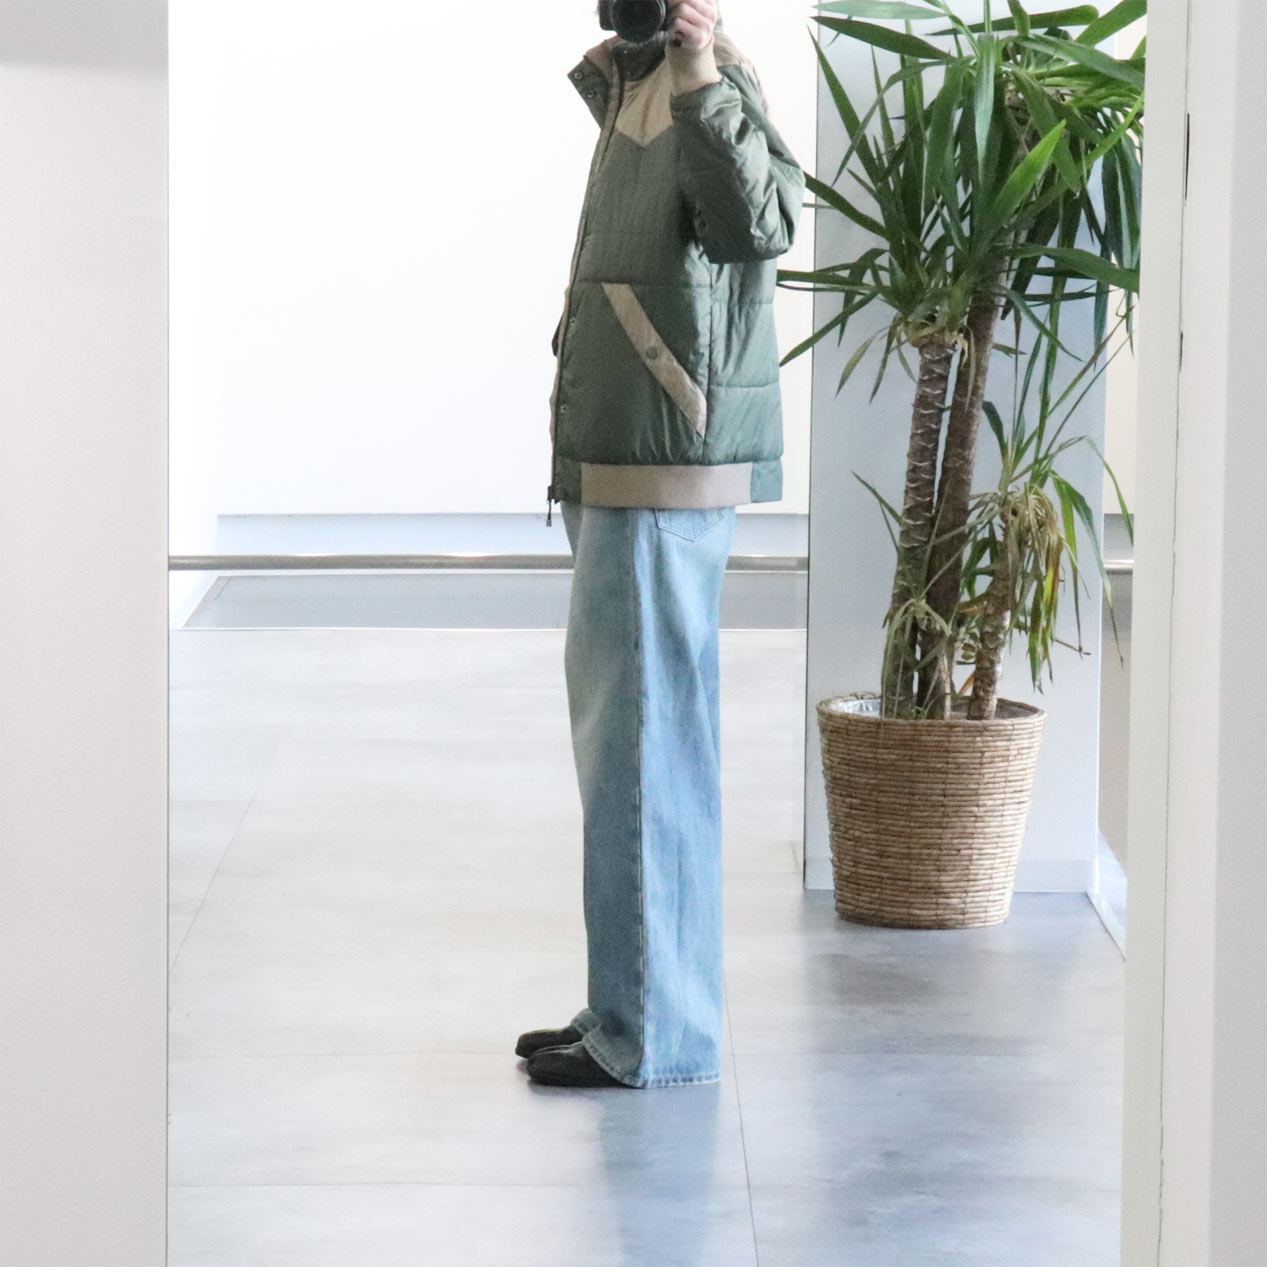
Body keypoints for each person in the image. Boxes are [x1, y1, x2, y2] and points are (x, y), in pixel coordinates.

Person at [517, 0, 804, 1089]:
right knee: (626, 746)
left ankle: (655, 1037)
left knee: (648, 747)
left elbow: (757, 227)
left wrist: (698, 71)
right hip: (619, 450)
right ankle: (627, 1005)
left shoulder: (709, 78)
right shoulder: (632, 82)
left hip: (659, 453)